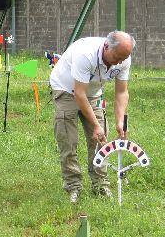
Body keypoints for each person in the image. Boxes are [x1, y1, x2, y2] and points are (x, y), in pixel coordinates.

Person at [49, 30, 135, 204]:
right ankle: (73, 186)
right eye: (117, 57)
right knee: (68, 141)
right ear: (106, 47)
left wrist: (120, 121)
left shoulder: (124, 57)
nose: (119, 62)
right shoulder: (85, 54)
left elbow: (121, 92)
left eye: (123, 59)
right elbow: (79, 94)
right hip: (66, 89)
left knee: (99, 141)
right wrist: (96, 125)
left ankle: (100, 184)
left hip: (93, 92)